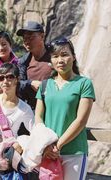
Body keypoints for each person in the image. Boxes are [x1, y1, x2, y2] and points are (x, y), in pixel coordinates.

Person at [35, 37, 95, 180]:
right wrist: (46, 145)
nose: (60, 60)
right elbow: (38, 117)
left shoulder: (84, 84)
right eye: (55, 56)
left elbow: (81, 120)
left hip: (74, 152)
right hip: (48, 151)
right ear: (51, 60)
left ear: (73, 57)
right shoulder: (45, 85)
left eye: (64, 54)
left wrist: (58, 145)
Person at [16, 21, 52, 110]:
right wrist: (30, 83)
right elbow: (18, 84)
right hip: (33, 110)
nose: (27, 41)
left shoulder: (56, 57)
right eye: (24, 38)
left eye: (31, 37)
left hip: (54, 106)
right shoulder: (23, 62)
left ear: (42, 36)